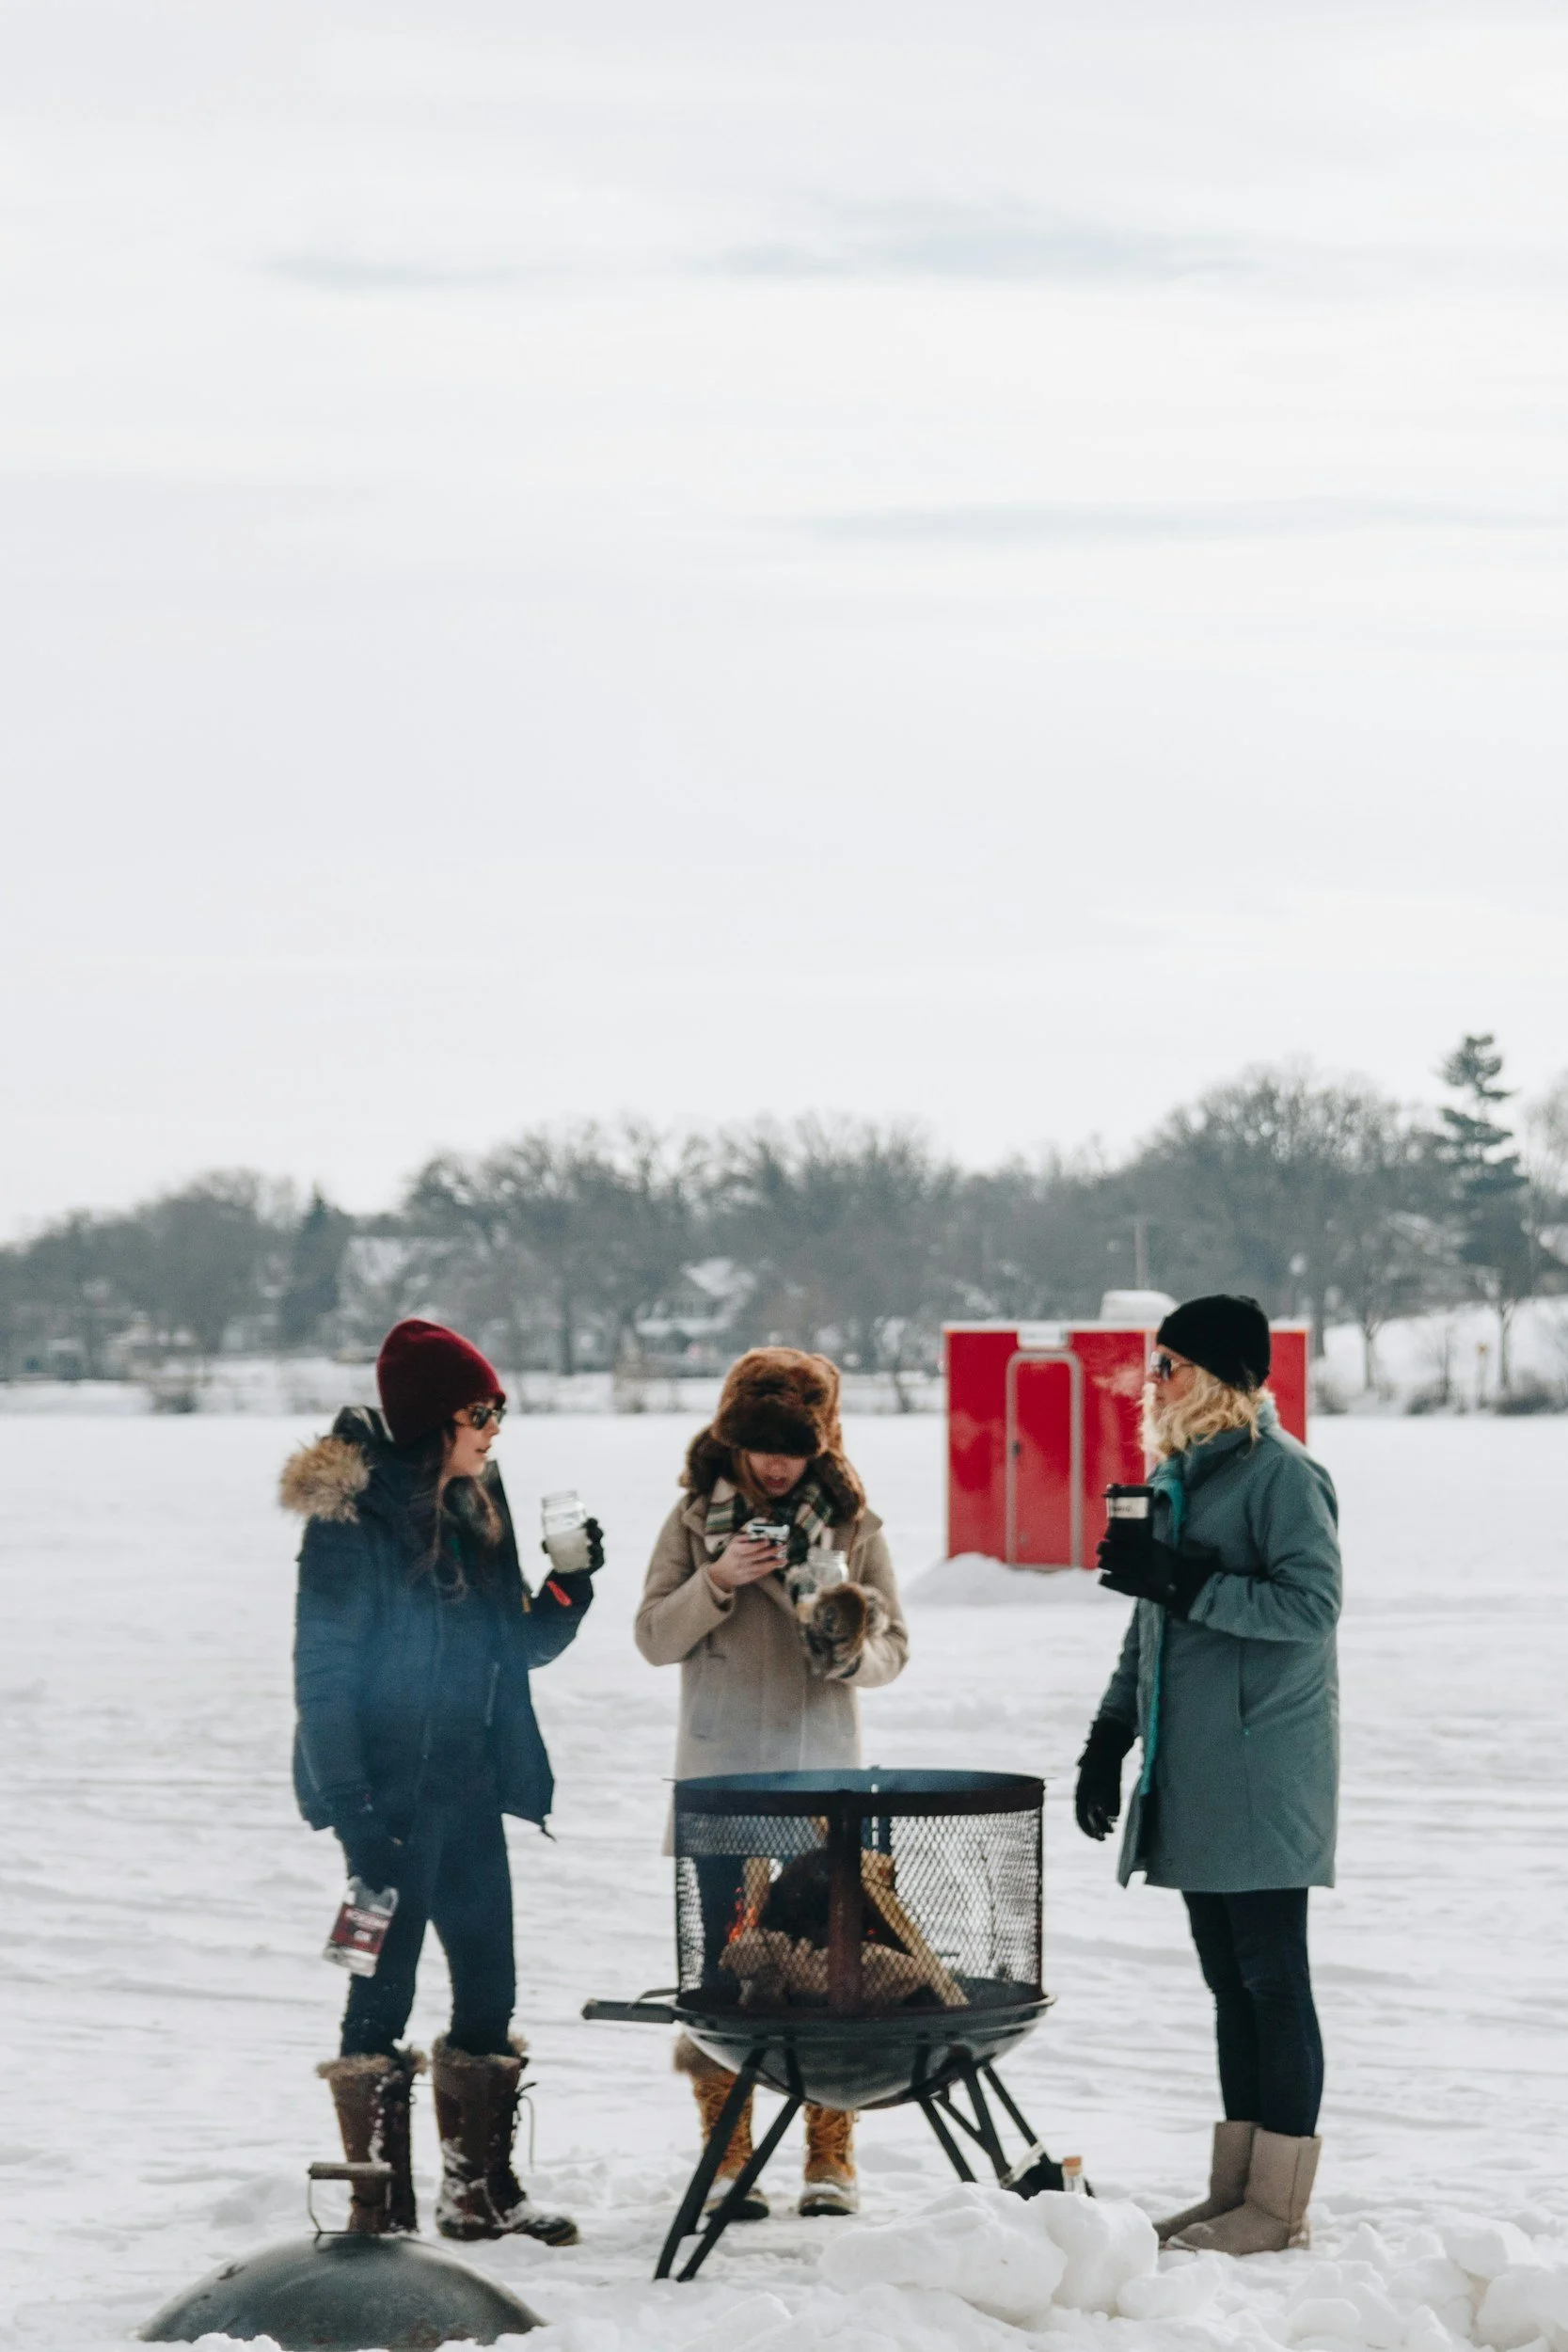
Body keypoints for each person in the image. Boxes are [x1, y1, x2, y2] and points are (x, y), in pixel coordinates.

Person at [284, 1317, 598, 2246]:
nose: (495, 1425)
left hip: (467, 1790)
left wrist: (570, 1588)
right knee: (379, 1991)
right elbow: (323, 1673)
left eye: (498, 1407)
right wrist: (353, 1817)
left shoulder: (476, 1501)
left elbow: (516, 1646)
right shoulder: (351, 1518)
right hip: (386, 1801)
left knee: (488, 1991)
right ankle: (375, 2206)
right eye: (478, 1410)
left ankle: (479, 2192)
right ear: (431, 1420)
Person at [1074, 1294, 1340, 2257]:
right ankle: (1233, 2192)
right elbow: (1151, 1624)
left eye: (1167, 1365)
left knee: (1273, 1979)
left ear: (1219, 1377)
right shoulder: (1179, 1475)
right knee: (1229, 1983)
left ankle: (1276, 2205)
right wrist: (1106, 1738)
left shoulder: (1282, 1475)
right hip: (1191, 1767)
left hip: (1262, 1767)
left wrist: (1181, 1580)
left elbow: (1309, 1606)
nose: (1151, 1381)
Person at [635, 1347, 909, 2220]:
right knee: (724, 1969)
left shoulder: (854, 1527)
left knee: (840, 1972)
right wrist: (717, 1582)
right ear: (732, 1439)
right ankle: (728, 2155)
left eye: (792, 1446)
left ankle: (831, 2155)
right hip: (721, 1781)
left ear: (821, 1441)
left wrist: (841, 1639)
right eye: (759, 1445)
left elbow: (891, 1652)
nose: (775, 1464)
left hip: (822, 1777)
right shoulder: (690, 1521)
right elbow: (650, 1637)